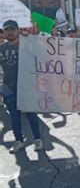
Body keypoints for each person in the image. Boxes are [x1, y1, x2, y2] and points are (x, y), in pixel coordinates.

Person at [0, 20, 43, 153]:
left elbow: (41, 54)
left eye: (12, 29)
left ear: (18, 30)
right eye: (7, 30)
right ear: (3, 32)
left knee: (31, 114)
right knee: (14, 116)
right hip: (9, 87)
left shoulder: (27, 45)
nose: (10, 32)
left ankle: (37, 140)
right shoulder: (1, 48)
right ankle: (18, 141)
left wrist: (31, 36)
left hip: (26, 86)